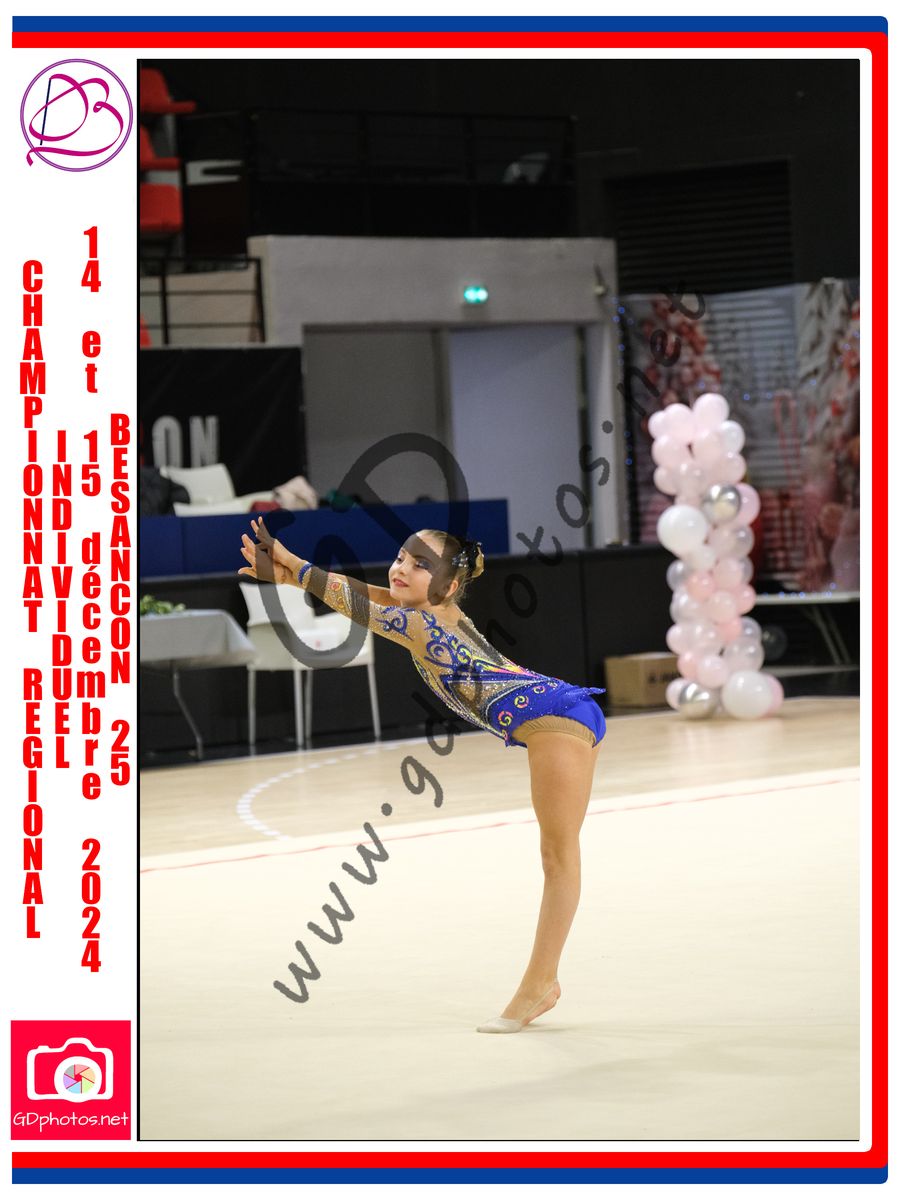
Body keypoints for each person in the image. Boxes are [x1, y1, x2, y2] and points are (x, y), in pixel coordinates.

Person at [239, 517, 606, 1034]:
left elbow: (362, 608)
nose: (401, 569)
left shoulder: (421, 626)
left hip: (555, 720)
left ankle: (540, 983)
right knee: (559, 854)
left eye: (420, 565)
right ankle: (542, 981)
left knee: (558, 857)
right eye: (401, 558)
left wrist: (296, 567)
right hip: (562, 712)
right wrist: (291, 576)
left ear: (448, 586)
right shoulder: (438, 611)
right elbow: (372, 594)